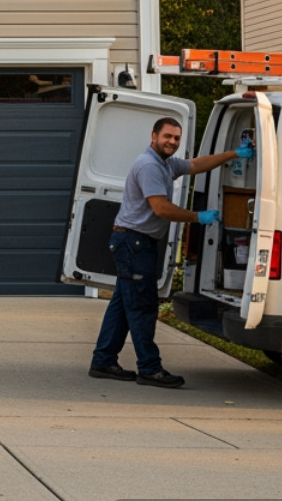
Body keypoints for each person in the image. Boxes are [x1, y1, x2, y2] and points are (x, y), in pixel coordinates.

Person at [89, 116, 252, 388]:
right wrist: (197, 217)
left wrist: (235, 153)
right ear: (153, 136)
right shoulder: (149, 166)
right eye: (167, 136)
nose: (172, 142)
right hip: (134, 243)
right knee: (142, 307)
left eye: (176, 138)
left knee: (122, 306)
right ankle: (150, 368)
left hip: (134, 242)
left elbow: (195, 165)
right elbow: (161, 208)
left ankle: (103, 361)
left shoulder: (166, 163)